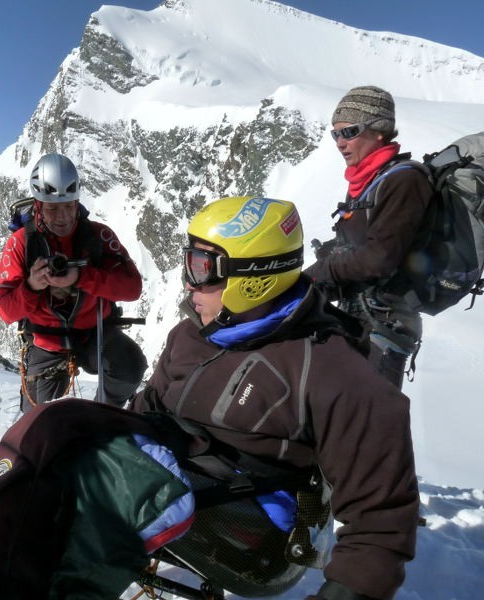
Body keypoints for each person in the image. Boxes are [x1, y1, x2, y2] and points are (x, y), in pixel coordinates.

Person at [130, 196, 420, 600]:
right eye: (188, 263)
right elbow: (144, 412)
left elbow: (381, 524)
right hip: (174, 493)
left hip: (250, 541)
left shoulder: (332, 373)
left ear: (252, 277)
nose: (188, 282)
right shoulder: (191, 334)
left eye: (201, 268)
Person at [304, 85, 434, 389]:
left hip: (385, 329)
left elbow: (379, 258)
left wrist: (323, 271)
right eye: (335, 134)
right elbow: (362, 241)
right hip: (358, 317)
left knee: (369, 422)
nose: (339, 142)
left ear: (379, 130)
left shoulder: (404, 180)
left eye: (349, 132)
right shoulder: (368, 182)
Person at [0, 152, 148, 411]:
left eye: (69, 206)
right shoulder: (21, 243)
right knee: (39, 423)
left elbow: (132, 287)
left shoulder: (98, 236)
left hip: (94, 332)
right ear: (38, 205)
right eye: (53, 208)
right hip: (47, 340)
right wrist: (32, 286)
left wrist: (82, 277)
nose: (63, 216)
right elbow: (6, 310)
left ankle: (104, 416)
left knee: (130, 365)